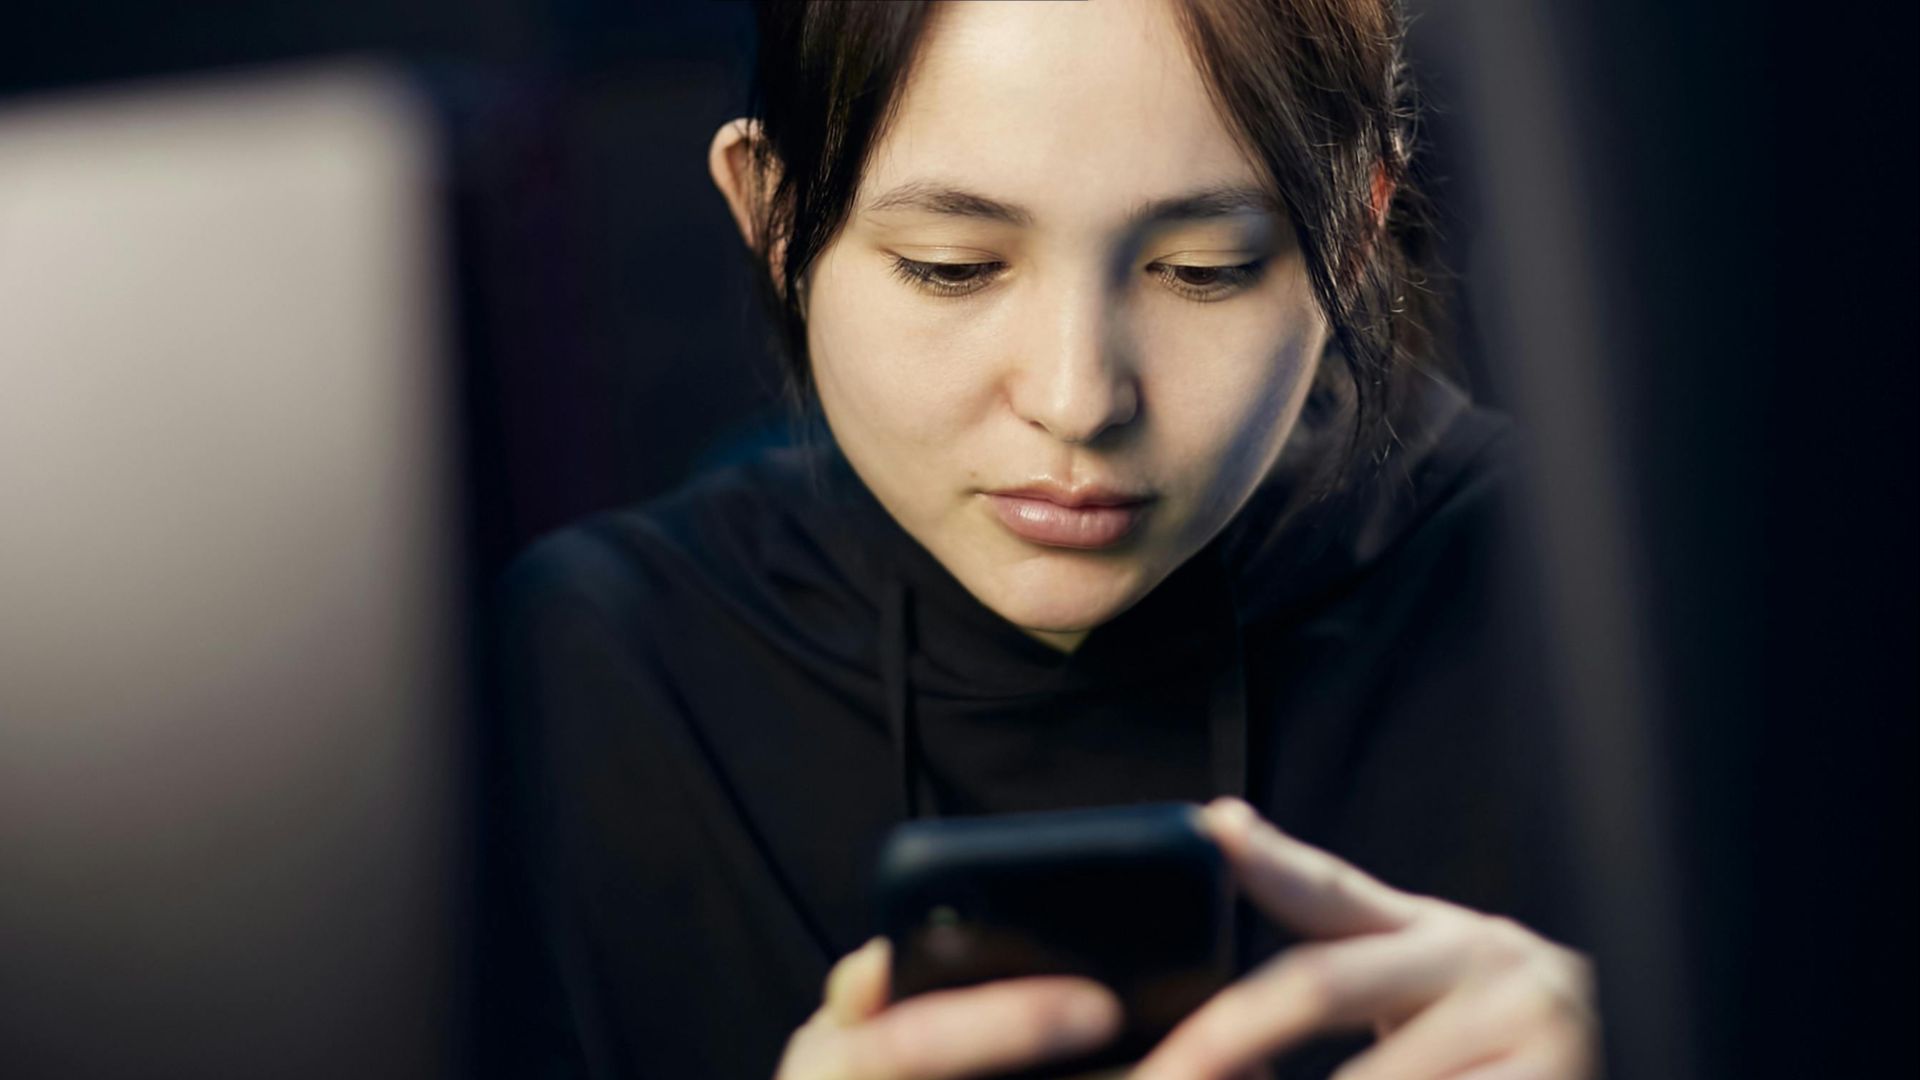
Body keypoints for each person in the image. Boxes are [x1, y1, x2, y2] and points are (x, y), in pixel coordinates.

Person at [488, 1, 1599, 1077]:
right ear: (772, 217)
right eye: (950, 264)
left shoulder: (1589, 631)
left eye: (1204, 267)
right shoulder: (592, 676)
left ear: (1356, 232)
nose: (1077, 400)